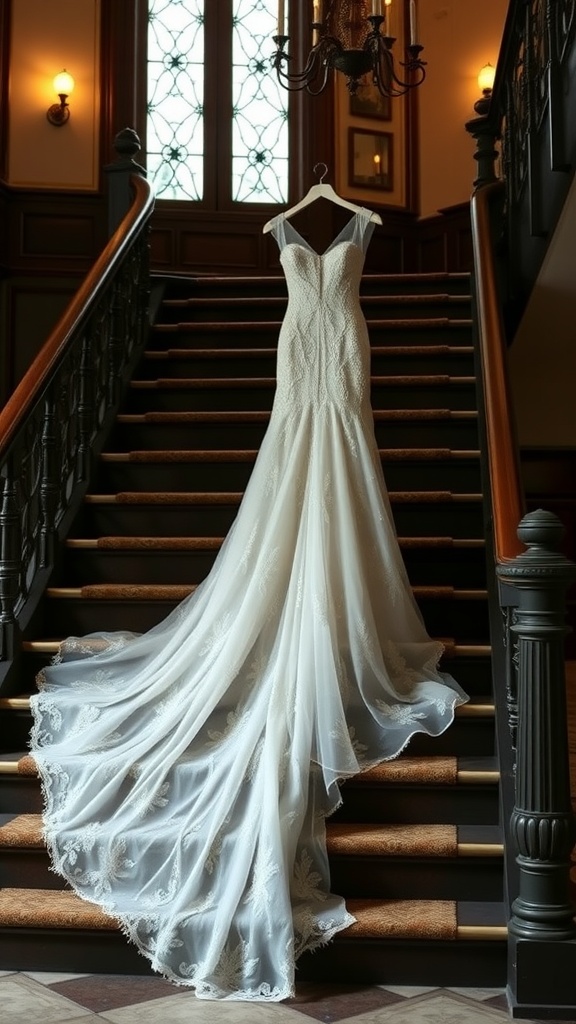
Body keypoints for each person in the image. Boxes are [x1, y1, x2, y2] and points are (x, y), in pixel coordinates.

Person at [30, 196, 468, 1002]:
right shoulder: (283, 234)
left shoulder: (363, 228)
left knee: (344, 467)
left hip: (340, 357)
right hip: (300, 354)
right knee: (291, 474)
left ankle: (347, 614)